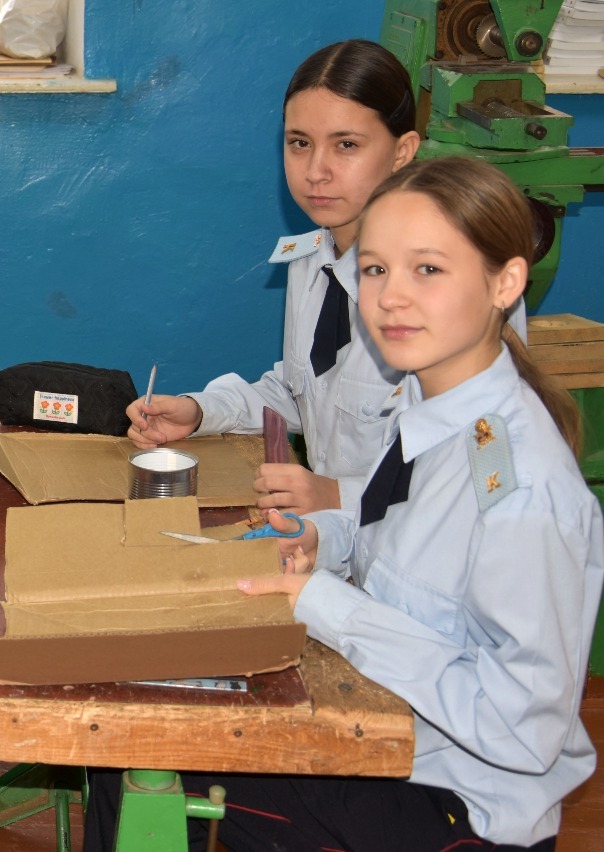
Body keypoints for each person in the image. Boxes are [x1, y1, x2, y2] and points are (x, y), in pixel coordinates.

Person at [88, 157, 603, 851]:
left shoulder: (520, 491)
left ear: (505, 282)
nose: (391, 298)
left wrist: (325, 603)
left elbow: (524, 729)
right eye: (375, 269)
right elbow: (399, 544)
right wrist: (322, 539)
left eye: (428, 269)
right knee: (132, 714)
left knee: (131, 746)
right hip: (394, 737)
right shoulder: (432, 401)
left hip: (454, 806)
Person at [126, 40, 518, 516]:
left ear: (402, 152)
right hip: (333, 538)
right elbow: (305, 392)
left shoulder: (451, 289)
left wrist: (340, 496)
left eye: (346, 145)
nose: (316, 171)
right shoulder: (313, 259)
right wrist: (201, 410)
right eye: (300, 143)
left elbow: (487, 474)